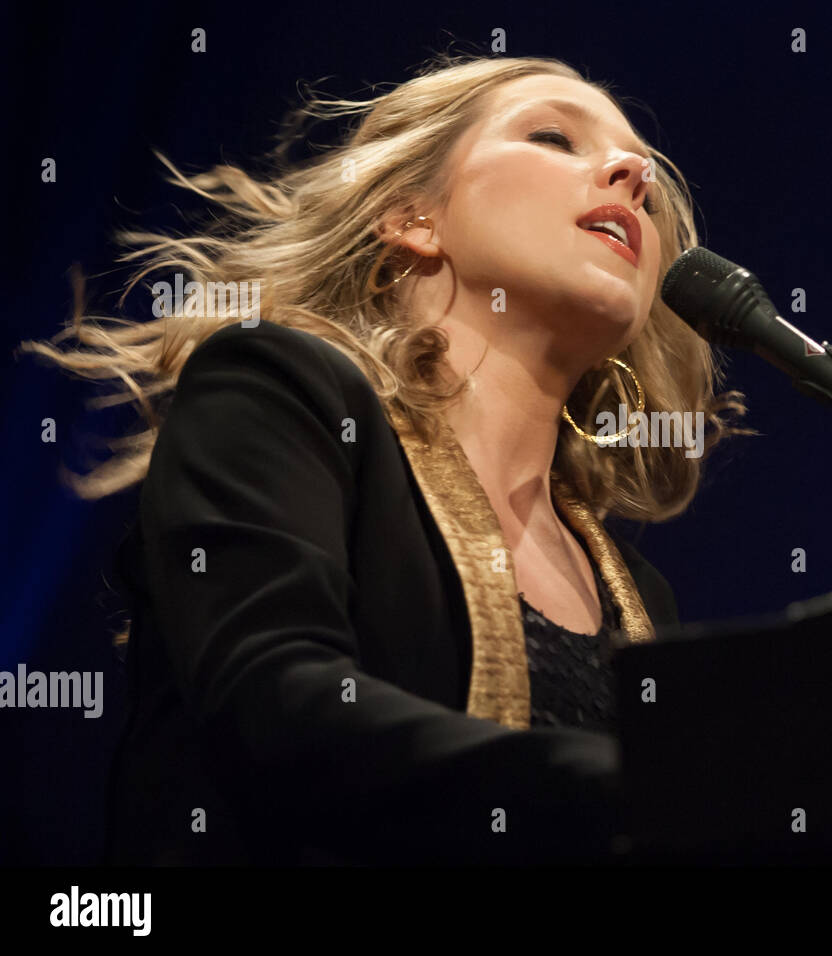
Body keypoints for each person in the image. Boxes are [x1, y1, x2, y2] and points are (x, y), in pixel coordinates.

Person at [18, 54, 750, 865]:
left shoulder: (638, 594)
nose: (631, 172)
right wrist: (654, 784)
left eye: (641, 171)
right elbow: (276, 705)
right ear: (412, 218)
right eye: (554, 136)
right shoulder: (275, 389)